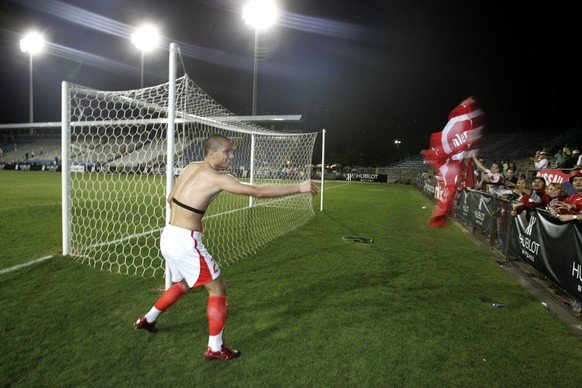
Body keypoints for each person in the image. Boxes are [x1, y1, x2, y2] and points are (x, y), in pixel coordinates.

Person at [133, 134, 318, 361]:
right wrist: (299, 187)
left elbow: (171, 198)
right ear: (212, 153)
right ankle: (215, 347)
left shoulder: (191, 167)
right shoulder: (217, 178)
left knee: (184, 284)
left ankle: (147, 319)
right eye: (227, 151)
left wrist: (194, 221)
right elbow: (258, 192)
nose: (232, 155)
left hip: (169, 235)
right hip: (185, 242)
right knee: (218, 289)